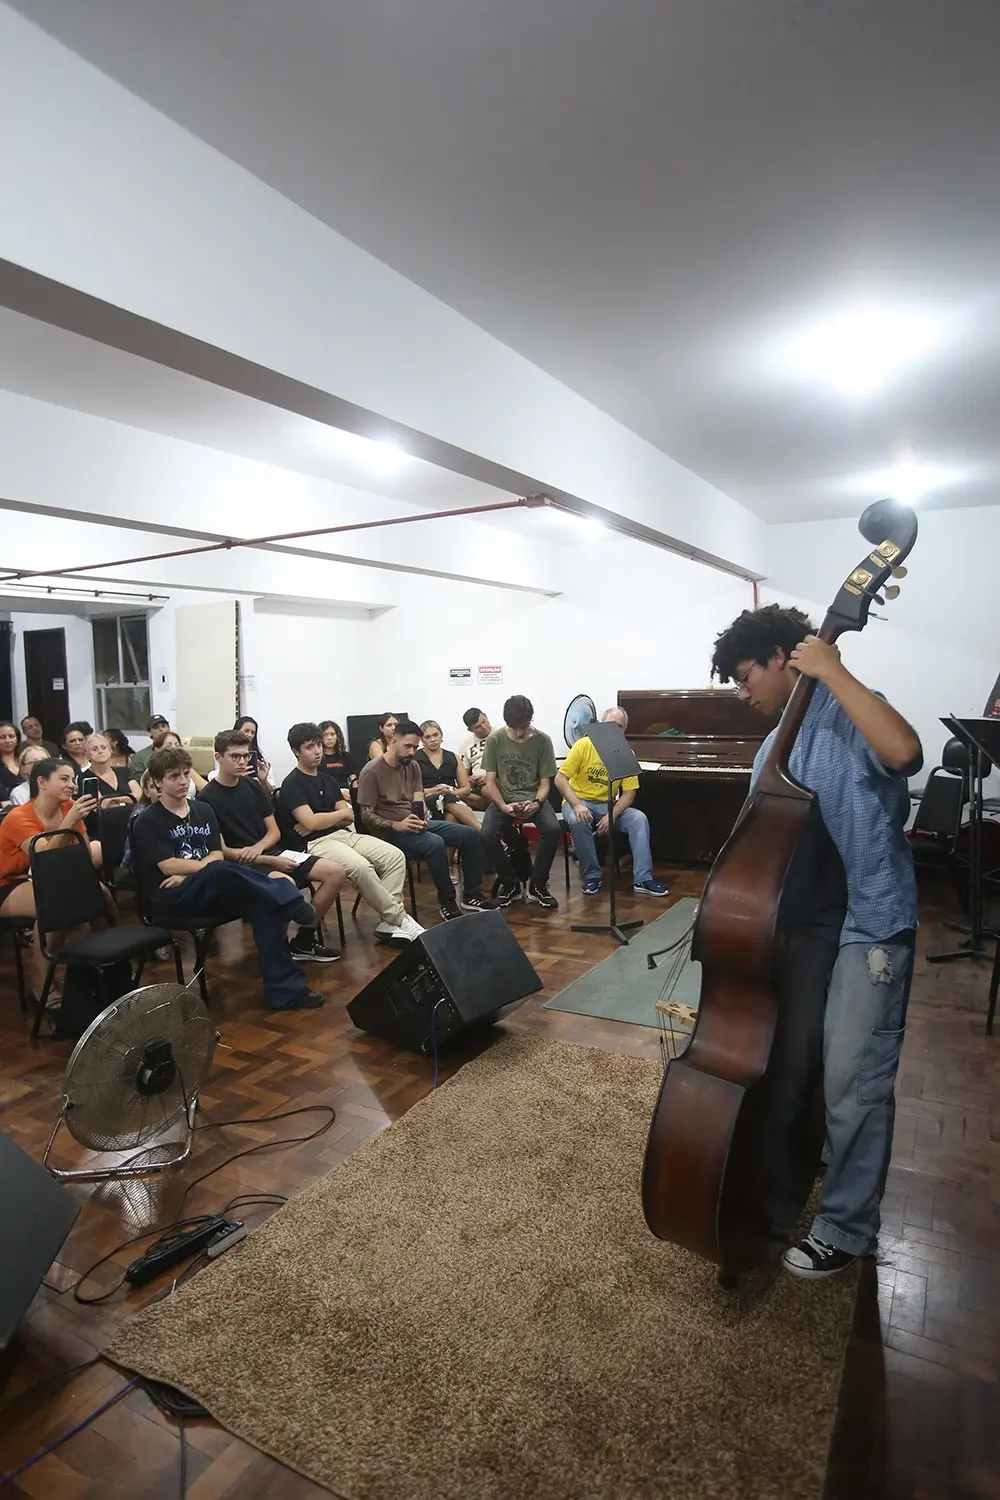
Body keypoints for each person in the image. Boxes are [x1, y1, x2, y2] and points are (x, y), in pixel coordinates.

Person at [710, 603, 921, 1281]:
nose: (742, 693)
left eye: (745, 676)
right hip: (802, 926)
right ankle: (801, 1173)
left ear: (782, 658)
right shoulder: (775, 745)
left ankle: (847, 1227)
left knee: (856, 1082)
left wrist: (832, 669)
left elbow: (904, 752)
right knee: (796, 1070)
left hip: (869, 920)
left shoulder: (853, 707)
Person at [132, 745, 325, 1011]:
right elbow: (168, 865)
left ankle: (285, 991)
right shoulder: (148, 820)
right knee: (221, 871)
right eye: (173, 776)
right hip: (173, 898)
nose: (183, 781)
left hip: (209, 886)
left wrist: (194, 871)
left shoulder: (203, 810)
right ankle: (290, 899)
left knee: (263, 903)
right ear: (156, 782)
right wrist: (203, 870)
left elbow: (216, 854)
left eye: (185, 774)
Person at [198, 730, 344, 963]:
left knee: (335, 872)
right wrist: (264, 858)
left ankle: (304, 941)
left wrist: (261, 848)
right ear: (219, 757)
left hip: (270, 852)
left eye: (246, 756)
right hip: (241, 864)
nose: (242, 762)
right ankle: (279, 950)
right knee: (284, 884)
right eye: (235, 756)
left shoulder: (253, 786)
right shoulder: (206, 798)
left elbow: (274, 831)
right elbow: (222, 850)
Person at [280, 722, 423, 945]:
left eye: (318, 745)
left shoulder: (327, 779)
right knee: (361, 867)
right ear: (296, 751)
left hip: (345, 834)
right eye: (309, 747)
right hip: (316, 843)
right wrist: (325, 819)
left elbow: (349, 816)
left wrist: (320, 819)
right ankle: (399, 918)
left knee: (395, 856)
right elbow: (312, 822)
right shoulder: (292, 784)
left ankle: (388, 921)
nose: (317, 751)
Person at [358, 720, 495, 922]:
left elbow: (418, 797)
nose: (412, 752)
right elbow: (366, 816)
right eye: (408, 746)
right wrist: (397, 825)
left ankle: (472, 896)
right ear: (393, 742)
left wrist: (420, 814)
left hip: (414, 824)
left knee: (469, 834)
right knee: (435, 843)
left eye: (415, 747)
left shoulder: (412, 766)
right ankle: (447, 902)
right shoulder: (372, 771)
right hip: (389, 832)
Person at [0, 758, 102, 1000]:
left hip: (50, 878)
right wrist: (70, 821)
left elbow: (84, 853)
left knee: (101, 895)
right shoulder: (18, 817)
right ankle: (41, 985)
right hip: (9, 882)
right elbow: (43, 859)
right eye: (64, 779)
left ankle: (105, 968)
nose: (72, 785)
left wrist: (75, 820)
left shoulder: (70, 808)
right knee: (56, 907)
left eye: (73, 779)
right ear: (42, 783)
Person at [555, 708, 668, 897]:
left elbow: (629, 793)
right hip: (579, 801)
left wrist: (611, 815)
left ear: (625, 730)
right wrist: (577, 805)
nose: (615, 730)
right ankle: (592, 875)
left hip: (607, 804)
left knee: (639, 819)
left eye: (620, 727)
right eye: (611, 725)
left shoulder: (626, 752)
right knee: (577, 820)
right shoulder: (583, 745)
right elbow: (560, 779)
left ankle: (643, 878)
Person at [480, 695, 560, 909]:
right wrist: (503, 806)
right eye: (513, 728)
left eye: (522, 727)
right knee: (486, 834)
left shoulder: (543, 741)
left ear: (530, 719)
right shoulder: (495, 740)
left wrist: (536, 803)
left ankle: (538, 885)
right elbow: (490, 781)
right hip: (504, 799)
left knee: (553, 829)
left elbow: (545, 783)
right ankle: (511, 885)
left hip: (534, 798)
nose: (518, 733)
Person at [415, 721, 480, 830]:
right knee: (444, 797)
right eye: (427, 737)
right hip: (428, 800)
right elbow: (410, 791)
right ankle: (482, 831)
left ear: (441, 735)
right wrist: (434, 791)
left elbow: (466, 789)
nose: (433, 739)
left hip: (452, 799)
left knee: (451, 817)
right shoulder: (415, 759)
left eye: (435, 735)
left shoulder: (454, 757)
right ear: (422, 740)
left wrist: (450, 792)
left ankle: (477, 833)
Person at [80, 732, 142, 806]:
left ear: (110, 751)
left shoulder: (124, 771)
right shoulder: (85, 778)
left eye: (103, 747)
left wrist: (116, 800)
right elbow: (101, 804)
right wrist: (128, 798)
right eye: (94, 749)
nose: (100, 751)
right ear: (87, 755)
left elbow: (139, 796)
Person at [458, 707, 492, 811]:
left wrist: (489, 777)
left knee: (488, 791)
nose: (484, 727)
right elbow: (464, 774)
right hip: (478, 783)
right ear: (470, 730)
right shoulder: (466, 744)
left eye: (484, 721)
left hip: (498, 777)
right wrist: (469, 779)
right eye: (478, 727)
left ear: (485, 715)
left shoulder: (501, 734)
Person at [234, 717, 275, 796]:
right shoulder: (227, 757)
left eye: (253, 732)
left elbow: (270, 794)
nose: (250, 735)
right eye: (246, 731)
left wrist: (263, 781)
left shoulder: (261, 761)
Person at [318, 721, 357, 788]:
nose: (329, 738)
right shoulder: (317, 757)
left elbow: (353, 780)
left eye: (332, 734)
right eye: (325, 735)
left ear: (337, 736)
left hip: (346, 791)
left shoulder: (346, 756)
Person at [0, 721, 22, 803]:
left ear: (17, 739)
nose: (8, 740)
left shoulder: (25, 761)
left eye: (11, 736)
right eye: (2, 737)